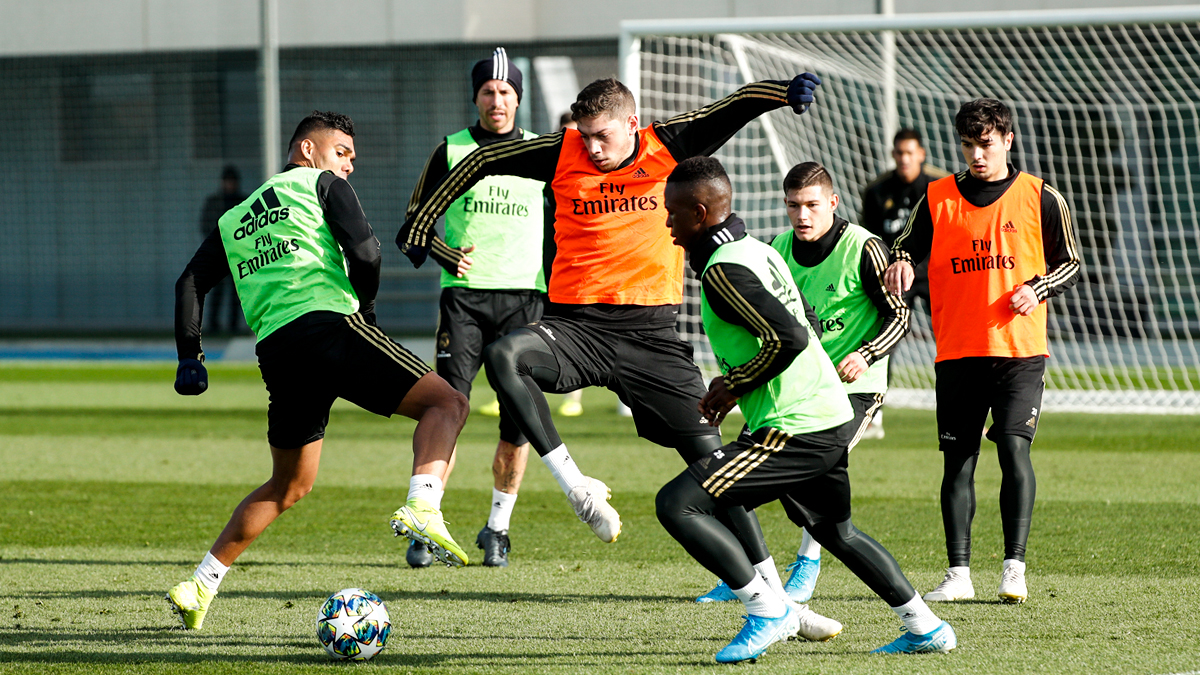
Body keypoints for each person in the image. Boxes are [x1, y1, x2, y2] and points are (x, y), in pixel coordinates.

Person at [398, 74, 822, 608]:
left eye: (602, 136)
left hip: (651, 336)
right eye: (585, 136)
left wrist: (784, 92)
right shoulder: (561, 152)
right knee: (505, 354)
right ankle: (577, 487)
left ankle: (772, 593)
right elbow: (478, 162)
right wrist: (419, 221)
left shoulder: (668, 142)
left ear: (631, 124)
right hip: (576, 329)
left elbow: (733, 106)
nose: (592, 147)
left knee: (713, 465)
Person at [166, 111, 471, 630]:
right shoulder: (320, 184)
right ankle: (423, 505)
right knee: (449, 403)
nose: (350, 164)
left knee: (289, 485)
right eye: (343, 151)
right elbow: (368, 250)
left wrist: (190, 356)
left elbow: (189, 283)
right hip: (331, 327)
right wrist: (367, 308)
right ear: (308, 150)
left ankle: (199, 584)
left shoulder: (235, 217)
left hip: (279, 354)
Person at [657, 156, 955, 662]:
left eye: (673, 212)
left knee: (680, 504)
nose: (667, 222)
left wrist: (735, 384)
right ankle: (925, 625)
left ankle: (767, 609)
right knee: (835, 531)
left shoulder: (724, 268)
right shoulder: (762, 251)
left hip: (794, 426)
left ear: (701, 212)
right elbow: (809, 321)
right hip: (825, 413)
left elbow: (792, 336)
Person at [885, 98, 1081, 604]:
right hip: (957, 350)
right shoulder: (936, 196)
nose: (977, 154)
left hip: (1019, 351)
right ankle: (958, 573)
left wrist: (1036, 287)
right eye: (968, 145)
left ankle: (1014, 567)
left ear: (1008, 141)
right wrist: (902, 264)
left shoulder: (1041, 196)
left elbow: (1072, 262)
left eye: (986, 144)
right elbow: (905, 245)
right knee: (958, 462)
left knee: (1014, 448)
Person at [696, 162, 909, 606]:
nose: (802, 215)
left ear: (832, 203)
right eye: (793, 205)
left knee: (808, 475)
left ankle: (807, 565)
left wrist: (864, 354)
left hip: (854, 389)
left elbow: (900, 315)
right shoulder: (777, 248)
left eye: (812, 205)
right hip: (799, 390)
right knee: (733, 479)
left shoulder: (865, 248)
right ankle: (748, 573)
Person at [402, 47, 549, 569]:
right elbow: (412, 228)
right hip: (463, 302)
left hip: (526, 302)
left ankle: (497, 529)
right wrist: (445, 252)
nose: (497, 100)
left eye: (506, 91)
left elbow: (567, 224)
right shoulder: (451, 150)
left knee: (518, 424)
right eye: (488, 90)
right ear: (476, 97)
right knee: (449, 410)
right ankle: (425, 521)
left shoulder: (543, 150)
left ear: (518, 99)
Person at [859, 129, 949, 437]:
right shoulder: (877, 191)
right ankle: (872, 417)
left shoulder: (942, 187)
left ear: (921, 154)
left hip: (937, 274)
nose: (904, 159)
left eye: (910, 153)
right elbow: (868, 239)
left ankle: (966, 414)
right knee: (884, 343)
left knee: (953, 346)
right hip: (895, 277)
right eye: (899, 153)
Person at [197, 165, 247, 334]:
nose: (230, 185)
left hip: (238, 254)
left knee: (236, 292)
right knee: (217, 291)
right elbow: (205, 224)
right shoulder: (215, 201)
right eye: (228, 181)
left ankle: (233, 325)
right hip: (218, 254)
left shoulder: (242, 201)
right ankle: (213, 325)